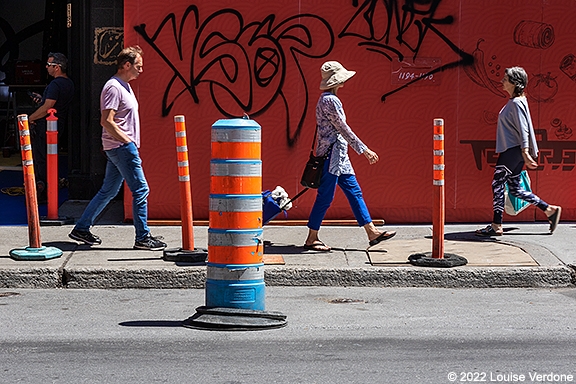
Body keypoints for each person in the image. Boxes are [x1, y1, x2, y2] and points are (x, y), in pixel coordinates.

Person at [69, 46, 166, 251]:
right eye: (139, 65)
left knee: (108, 191)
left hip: (118, 146)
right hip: (121, 147)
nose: (142, 69)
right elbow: (106, 121)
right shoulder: (114, 87)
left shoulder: (124, 86)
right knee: (141, 190)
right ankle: (142, 237)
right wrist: (128, 141)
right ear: (127, 65)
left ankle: (82, 228)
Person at [303, 61, 396, 252]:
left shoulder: (327, 99)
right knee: (325, 198)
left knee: (355, 192)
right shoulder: (330, 100)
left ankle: (371, 232)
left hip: (339, 156)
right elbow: (343, 128)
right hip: (332, 157)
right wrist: (364, 150)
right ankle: (312, 238)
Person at [476, 66, 561, 237]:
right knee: (515, 188)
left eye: (506, 79)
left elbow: (524, 130)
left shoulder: (516, 103)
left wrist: (525, 152)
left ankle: (496, 224)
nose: (502, 81)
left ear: (515, 83)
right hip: (515, 151)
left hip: (513, 150)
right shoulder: (516, 102)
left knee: (497, 184)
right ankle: (549, 209)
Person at [28, 52, 74, 198]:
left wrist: (30, 118)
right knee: (50, 158)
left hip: (46, 127)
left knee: (41, 159)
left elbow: (48, 107)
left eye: (49, 65)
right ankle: (50, 190)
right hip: (58, 125)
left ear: (57, 67)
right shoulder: (69, 84)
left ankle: (43, 192)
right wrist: (42, 100)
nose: (46, 67)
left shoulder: (55, 84)